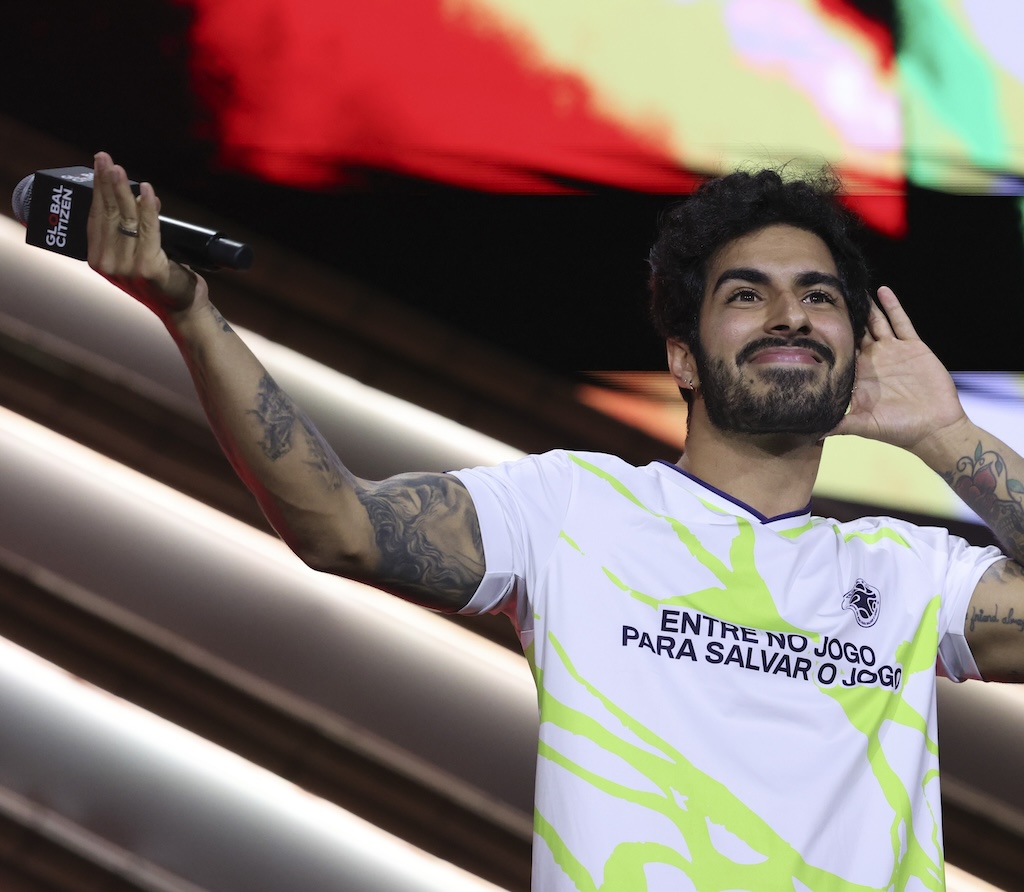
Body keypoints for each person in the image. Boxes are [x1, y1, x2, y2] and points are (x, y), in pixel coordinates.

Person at [87, 151, 1024, 891]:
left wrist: (946, 438)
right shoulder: (573, 508)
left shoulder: (905, 574)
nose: (791, 313)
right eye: (747, 294)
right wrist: (189, 311)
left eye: (819, 295)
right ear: (684, 360)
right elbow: (339, 522)